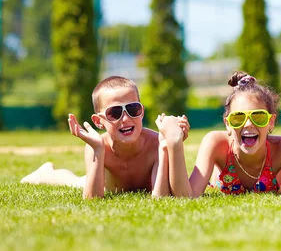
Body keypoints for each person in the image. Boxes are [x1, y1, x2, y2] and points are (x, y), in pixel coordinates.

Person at [157, 71, 281, 198]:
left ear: (271, 122)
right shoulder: (215, 143)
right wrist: (174, 144)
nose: (248, 124)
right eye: (238, 118)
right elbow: (186, 196)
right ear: (228, 124)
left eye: (259, 117)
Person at [20, 76, 189, 199]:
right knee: (76, 182)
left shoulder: (155, 144)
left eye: (133, 109)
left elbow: (160, 198)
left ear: (142, 111)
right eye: (114, 112)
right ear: (99, 122)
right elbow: (92, 198)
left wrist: (163, 148)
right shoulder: (98, 146)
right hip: (106, 185)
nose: (125, 118)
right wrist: (98, 150)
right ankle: (45, 173)